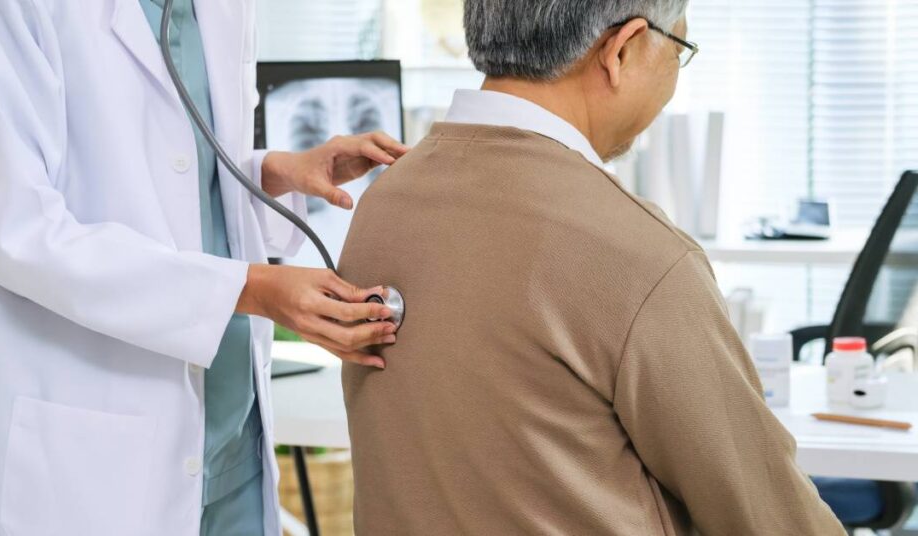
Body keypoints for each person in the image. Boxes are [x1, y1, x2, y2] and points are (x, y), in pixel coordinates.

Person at [338, 1, 844, 534]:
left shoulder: (384, 202)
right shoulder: (635, 253)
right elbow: (767, 513)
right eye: (679, 48)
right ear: (622, 49)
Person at [0, 0, 406, 534]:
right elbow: (17, 230)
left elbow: (176, 173)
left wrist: (274, 172)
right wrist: (254, 287)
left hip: (231, 438)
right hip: (92, 459)